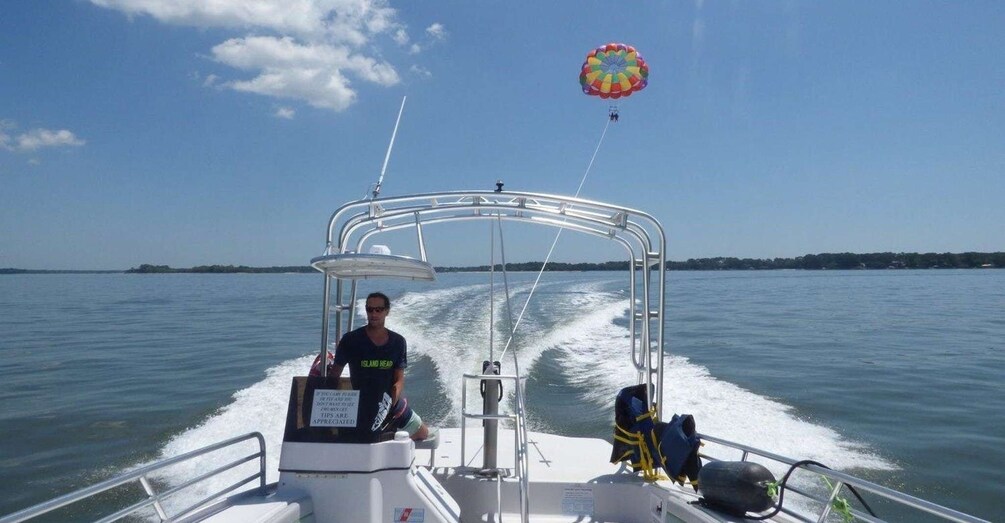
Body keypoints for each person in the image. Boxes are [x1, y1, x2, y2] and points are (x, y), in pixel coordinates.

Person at [310, 292, 431, 441]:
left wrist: (391, 403)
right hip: (361, 405)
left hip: (391, 404)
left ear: (387, 311)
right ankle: (389, 435)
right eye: (370, 309)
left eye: (379, 309)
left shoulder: (398, 342)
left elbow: (399, 379)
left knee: (423, 433)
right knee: (366, 441)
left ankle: (390, 431)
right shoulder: (351, 340)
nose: (374, 313)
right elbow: (334, 376)